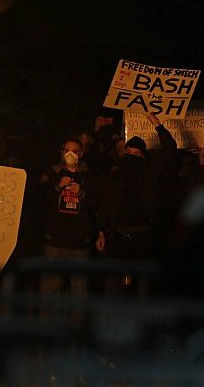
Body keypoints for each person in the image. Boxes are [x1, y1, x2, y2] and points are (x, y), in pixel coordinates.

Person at [97, 112, 176, 294]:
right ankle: (112, 318)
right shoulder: (115, 176)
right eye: (128, 152)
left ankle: (141, 317)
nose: (131, 156)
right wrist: (102, 231)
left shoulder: (149, 172)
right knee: (113, 281)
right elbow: (106, 202)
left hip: (142, 236)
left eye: (136, 153)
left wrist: (157, 124)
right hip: (117, 235)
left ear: (142, 156)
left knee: (142, 281)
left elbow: (170, 148)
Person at [40, 137, 100, 302]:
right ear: (62, 152)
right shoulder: (53, 173)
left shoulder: (89, 176)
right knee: (50, 289)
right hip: (55, 242)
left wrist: (81, 194)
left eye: (74, 151)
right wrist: (58, 186)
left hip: (80, 243)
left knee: (80, 290)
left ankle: (77, 325)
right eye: (67, 150)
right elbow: (43, 200)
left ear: (80, 153)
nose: (70, 154)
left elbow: (96, 204)